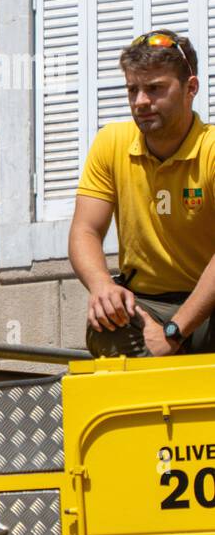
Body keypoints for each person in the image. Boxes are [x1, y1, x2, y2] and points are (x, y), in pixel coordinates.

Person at [70, 28, 215, 357]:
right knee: (106, 328)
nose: (141, 102)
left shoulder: (211, 149)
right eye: (132, 89)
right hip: (148, 306)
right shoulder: (111, 142)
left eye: (154, 89)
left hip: (209, 302)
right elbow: (85, 230)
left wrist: (175, 331)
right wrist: (102, 286)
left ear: (190, 88)